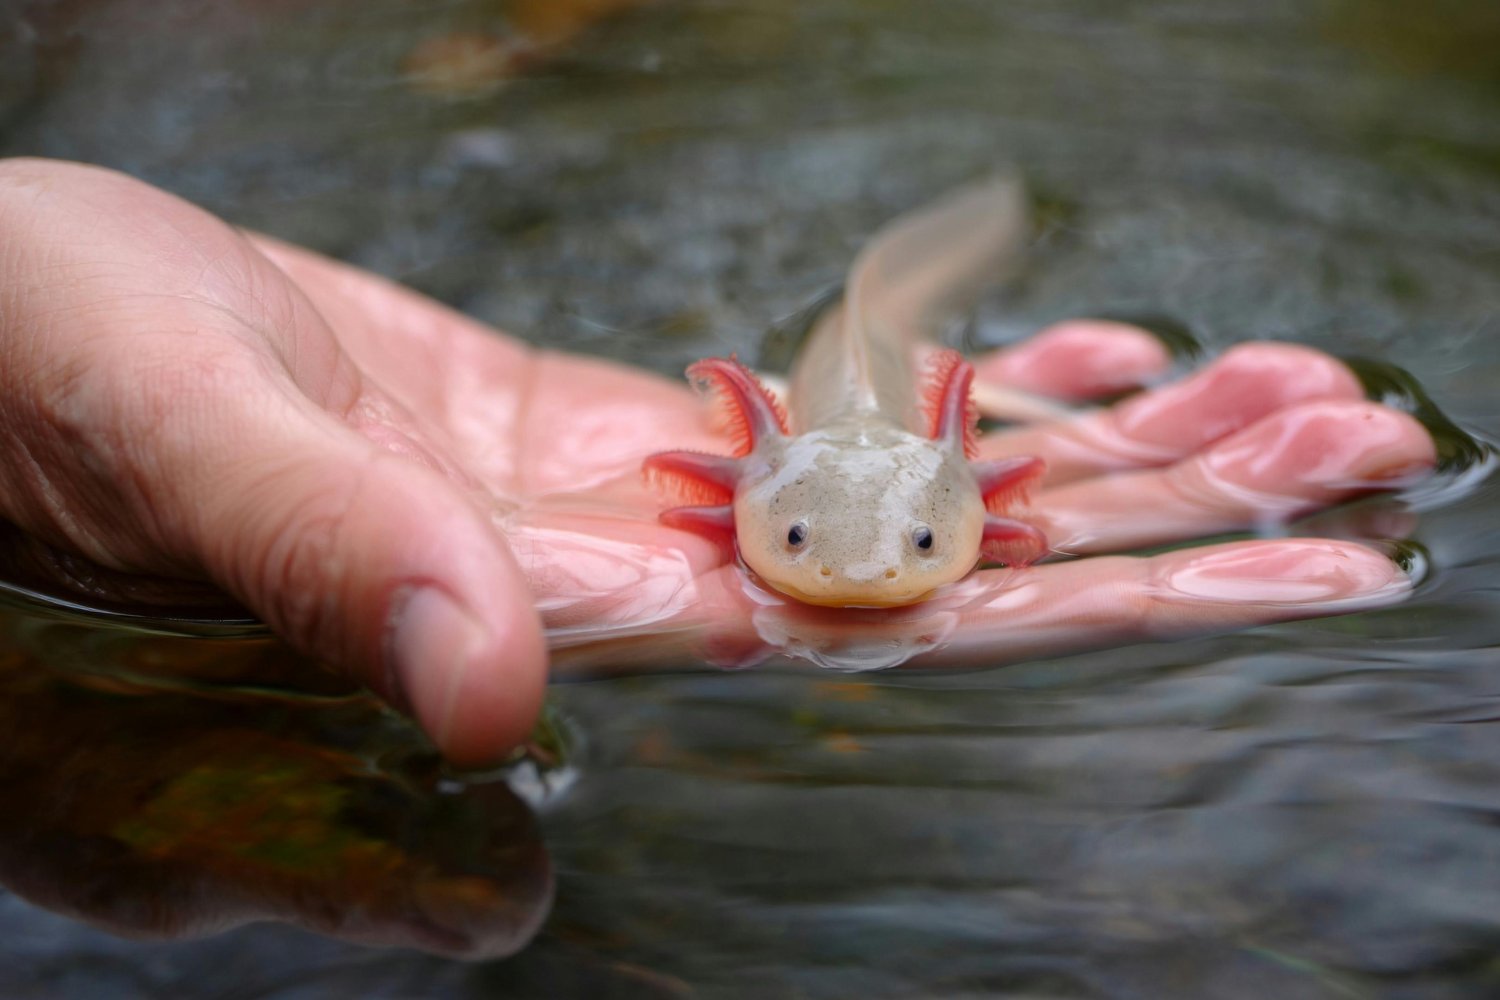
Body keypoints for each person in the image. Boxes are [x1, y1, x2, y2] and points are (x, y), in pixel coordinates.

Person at [0, 158, 1436, 765]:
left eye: (923, 549)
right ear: (720, 472)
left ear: (988, 499)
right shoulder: (739, 476)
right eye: (808, 545)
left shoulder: (955, 479)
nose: (869, 579)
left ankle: (967, 236)